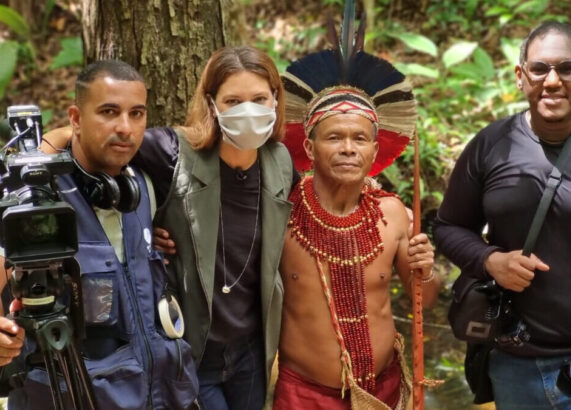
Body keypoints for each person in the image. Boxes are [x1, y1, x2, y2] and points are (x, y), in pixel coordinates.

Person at [433, 21, 571, 409]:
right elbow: (448, 226)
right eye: (539, 69)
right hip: (513, 366)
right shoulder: (492, 144)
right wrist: (489, 260)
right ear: (520, 76)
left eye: (566, 68)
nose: (552, 81)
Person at [0, 60, 199, 409]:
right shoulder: (33, 200)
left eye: (137, 114)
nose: (125, 127)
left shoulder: (141, 187)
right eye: (109, 111)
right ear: (75, 118)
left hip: (161, 396)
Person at [272, 13, 440, 408]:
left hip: (384, 391)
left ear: (374, 151)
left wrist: (427, 269)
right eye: (335, 137)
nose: (349, 148)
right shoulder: (282, 210)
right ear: (310, 148)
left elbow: (425, 300)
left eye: (360, 139)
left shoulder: (394, 213)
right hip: (304, 395)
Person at [130, 45, 295, 410]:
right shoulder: (172, 152)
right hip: (191, 346)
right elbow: (107, 144)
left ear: (275, 100)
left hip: (252, 349)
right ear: (212, 103)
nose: (248, 110)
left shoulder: (281, 162)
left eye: (259, 98)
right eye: (233, 100)